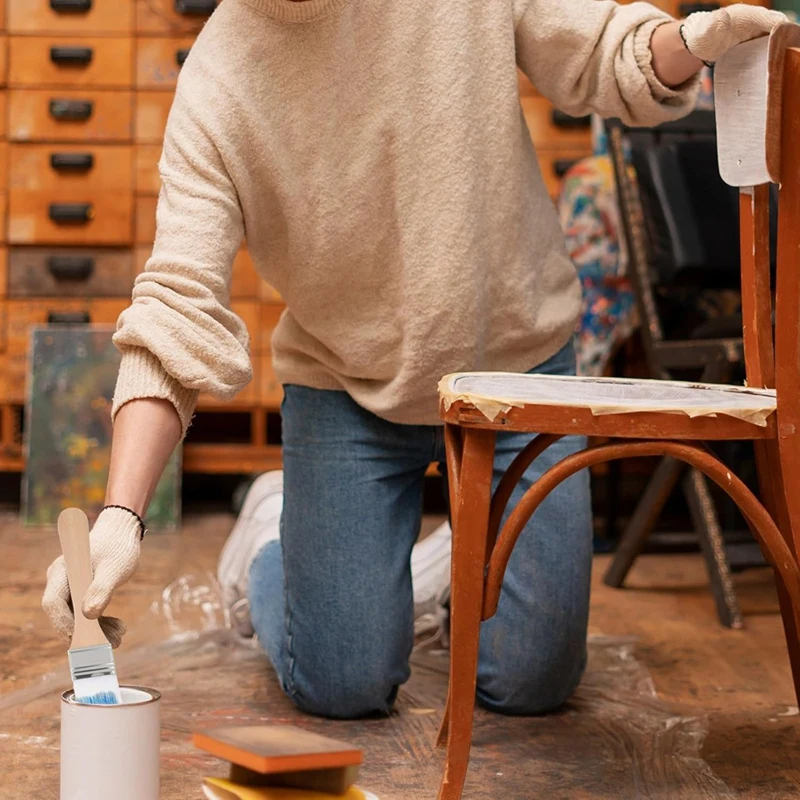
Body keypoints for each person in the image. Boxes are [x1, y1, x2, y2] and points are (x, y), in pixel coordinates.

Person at [43, 1, 785, 720]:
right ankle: (272, 546)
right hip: (346, 387)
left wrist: (689, 42)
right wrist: (120, 516)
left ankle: (422, 567)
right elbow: (177, 306)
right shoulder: (216, 84)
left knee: (533, 683)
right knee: (341, 688)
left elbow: (597, 50)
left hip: (515, 369)